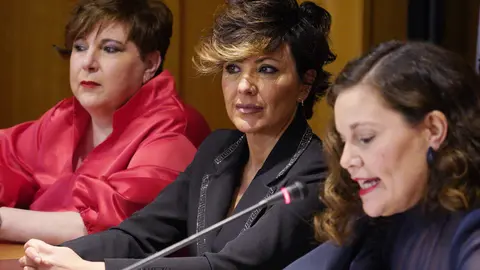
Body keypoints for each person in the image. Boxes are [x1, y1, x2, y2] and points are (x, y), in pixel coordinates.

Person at [19, 0, 336, 269]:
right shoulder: (218, 149)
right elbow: (141, 234)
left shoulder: (314, 171)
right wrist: (58, 255)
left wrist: (97, 268)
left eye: (266, 69)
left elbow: (228, 266)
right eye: (232, 68)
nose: (244, 86)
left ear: (305, 84)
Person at [0, 0, 210, 245]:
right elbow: (8, 158)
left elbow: (116, 226)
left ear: (150, 64)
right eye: (79, 47)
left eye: (110, 49)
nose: (87, 63)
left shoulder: (173, 131)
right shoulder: (65, 116)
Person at [284, 40, 480, 270]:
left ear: (433, 129)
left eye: (365, 138)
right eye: (344, 141)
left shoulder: (472, 233)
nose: (346, 161)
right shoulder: (379, 222)